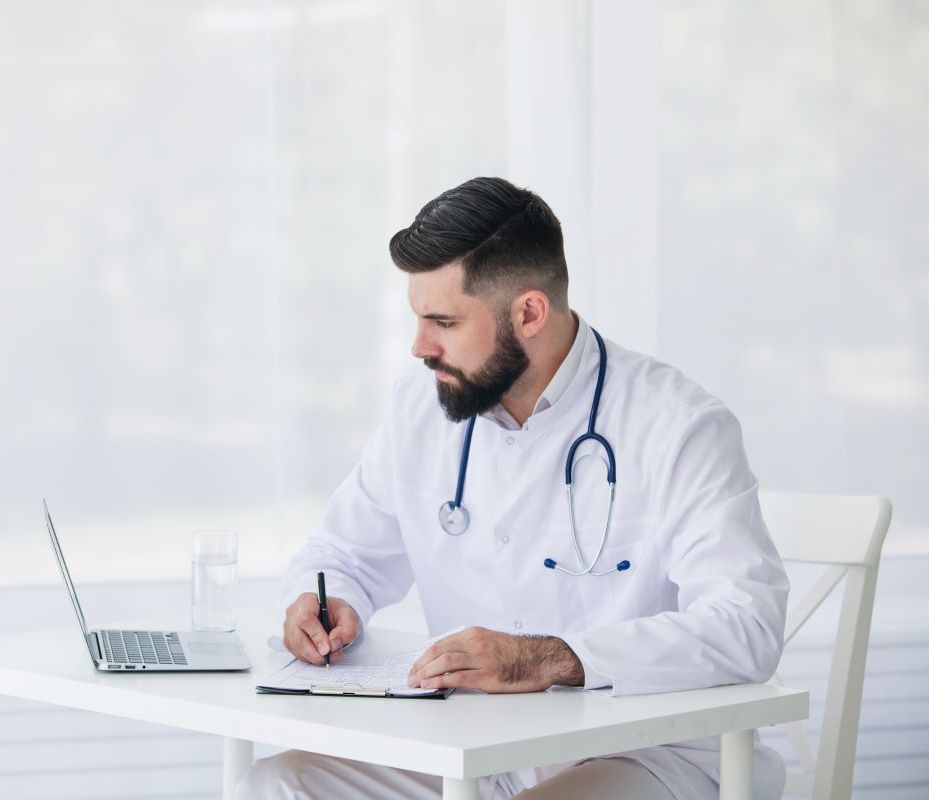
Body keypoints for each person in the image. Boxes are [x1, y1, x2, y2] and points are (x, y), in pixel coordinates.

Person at [235, 177, 789, 799]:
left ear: (528, 312)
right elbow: (344, 554)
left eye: (443, 321)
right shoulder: (421, 410)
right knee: (278, 784)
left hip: (646, 756)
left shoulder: (677, 425)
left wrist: (549, 656)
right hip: (475, 749)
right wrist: (326, 600)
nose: (420, 347)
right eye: (418, 318)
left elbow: (748, 624)